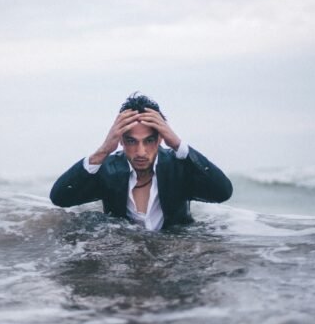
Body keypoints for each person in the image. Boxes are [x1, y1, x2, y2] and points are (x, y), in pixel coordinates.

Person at [50, 93, 232, 231]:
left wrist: (177, 143)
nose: (141, 152)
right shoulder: (107, 170)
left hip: (174, 260)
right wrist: (103, 150)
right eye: (131, 141)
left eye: (149, 140)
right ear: (120, 139)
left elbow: (223, 192)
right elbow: (60, 198)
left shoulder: (179, 167)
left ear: (161, 138)